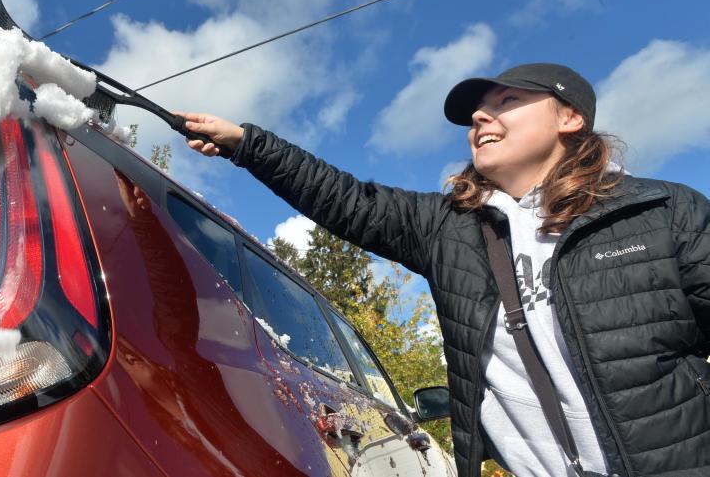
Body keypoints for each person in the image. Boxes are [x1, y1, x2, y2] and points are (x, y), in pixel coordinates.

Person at [176, 63, 710, 477]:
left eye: (507, 101)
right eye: (476, 112)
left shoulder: (662, 213)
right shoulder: (450, 228)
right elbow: (346, 199)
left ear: (570, 118)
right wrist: (247, 144)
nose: (480, 117)